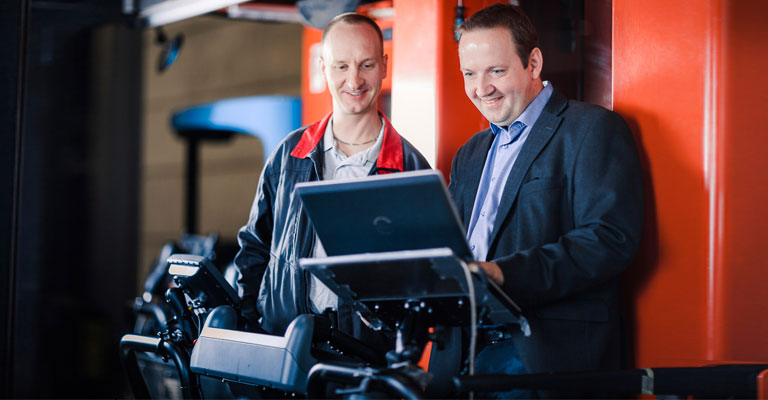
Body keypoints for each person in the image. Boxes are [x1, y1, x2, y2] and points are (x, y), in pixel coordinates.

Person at [448, 3, 643, 395]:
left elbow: (608, 239)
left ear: (533, 63)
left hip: (543, 357)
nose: (480, 88)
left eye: (496, 71)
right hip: (462, 353)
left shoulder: (592, 129)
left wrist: (503, 274)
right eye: (470, 73)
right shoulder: (469, 154)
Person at [234, 13, 431, 338]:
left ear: (384, 65)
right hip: (282, 343)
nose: (354, 81)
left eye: (366, 65)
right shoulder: (289, 156)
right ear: (323, 67)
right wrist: (252, 323)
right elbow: (255, 246)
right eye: (341, 66)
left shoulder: (410, 168)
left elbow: (423, 279)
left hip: (363, 361)